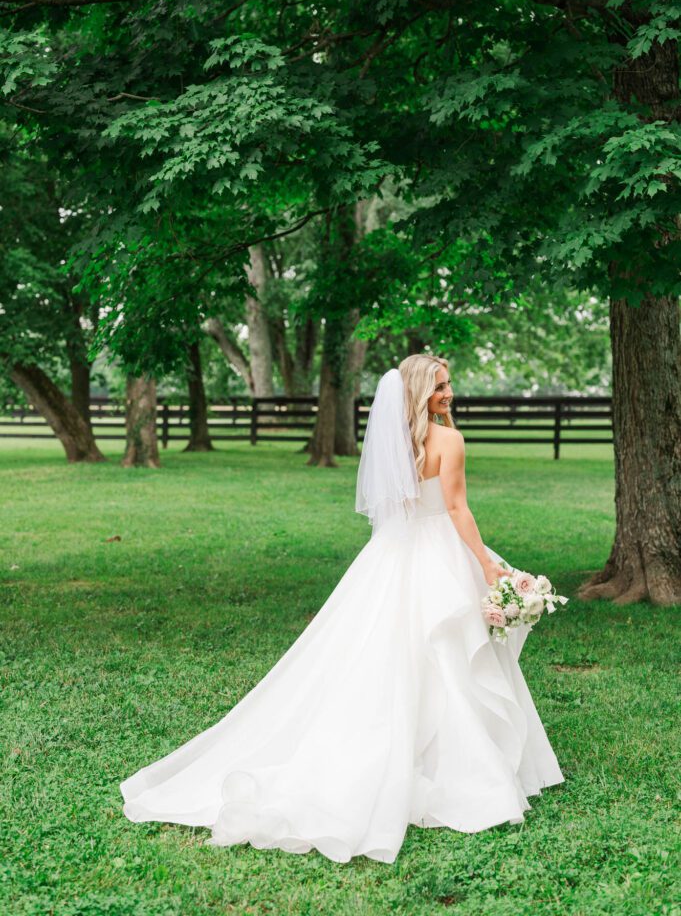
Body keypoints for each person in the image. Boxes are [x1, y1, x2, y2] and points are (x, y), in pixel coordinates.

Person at [120, 354, 565, 864]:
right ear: (421, 392)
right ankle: (457, 767)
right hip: (438, 551)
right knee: (444, 654)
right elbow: (458, 508)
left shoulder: (397, 442)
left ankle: (412, 753)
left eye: (449, 384)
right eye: (441, 386)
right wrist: (486, 565)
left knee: (391, 652)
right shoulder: (449, 441)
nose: (449, 393)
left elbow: (396, 509)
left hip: (392, 557)